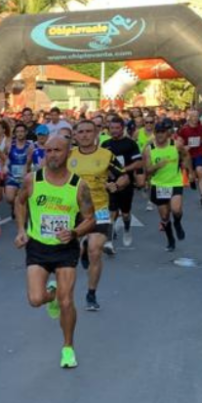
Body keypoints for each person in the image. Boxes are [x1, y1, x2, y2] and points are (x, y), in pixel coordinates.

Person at [14, 134, 95, 369]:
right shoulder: (32, 180)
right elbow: (20, 202)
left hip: (65, 248)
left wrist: (75, 232)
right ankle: (52, 295)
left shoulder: (78, 185)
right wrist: (21, 229)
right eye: (48, 151)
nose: (52, 155)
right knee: (35, 299)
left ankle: (68, 348)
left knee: (67, 301)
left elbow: (91, 218)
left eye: (57, 150)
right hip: (38, 246)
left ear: (68, 153)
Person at [69, 119, 124, 312]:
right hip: (73, 210)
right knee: (70, 252)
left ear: (96, 134)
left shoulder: (106, 155)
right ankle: (82, 244)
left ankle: (91, 294)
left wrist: (116, 185)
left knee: (95, 251)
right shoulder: (68, 156)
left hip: (100, 209)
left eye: (88, 131)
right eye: (80, 132)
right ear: (75, 135)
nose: (84, 135)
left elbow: (123, 175)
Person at [143, 118, 190, 251]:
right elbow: (147, 170)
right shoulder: (149, 149)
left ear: (167, 133)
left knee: (176, 210)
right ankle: (170, 240)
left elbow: (186, 156)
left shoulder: (176, 145)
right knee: (164, 216)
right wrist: (157, 166)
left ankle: (178, 223)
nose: (160, 135)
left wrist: (189, 171)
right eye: (157, 132)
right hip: (159, 184)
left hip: (175, 182)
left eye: (162, 132)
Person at [101, 116, 143, 248]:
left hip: (126, 183)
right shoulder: (105, 145)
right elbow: (101, 164)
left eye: (117, 128)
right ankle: (108, 242)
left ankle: (126, 229)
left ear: (122, 128)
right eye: (112, 128)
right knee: (111, 212)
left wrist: (124, 169)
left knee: (125, 213)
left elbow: (139, 162)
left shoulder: (130, 144)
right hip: (110, 183)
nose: (114, 131)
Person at [177, 108, 202, 206]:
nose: (196, 118)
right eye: (193, 116)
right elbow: (178, 143)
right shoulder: (184, 130)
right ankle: (191, 178)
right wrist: (184, 147)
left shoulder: (201, 127)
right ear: (189, 118)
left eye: (197, 116)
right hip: (188, 156)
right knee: (192, 174)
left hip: (199, 153)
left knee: (200, 171)